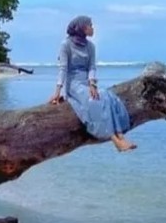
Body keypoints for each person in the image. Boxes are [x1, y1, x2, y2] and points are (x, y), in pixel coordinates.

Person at [48, 15, 137, 152]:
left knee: (106, 96)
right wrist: (57, 92)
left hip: (87, 81)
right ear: (83, 28)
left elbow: (92, 68)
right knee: (94, 101)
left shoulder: (90, 46)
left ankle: (121, 136)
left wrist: (92, 84)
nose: (92, 27)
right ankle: (115, 140)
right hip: (73, 83)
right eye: (90, 25)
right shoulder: (65, 45)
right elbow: (63, 69)